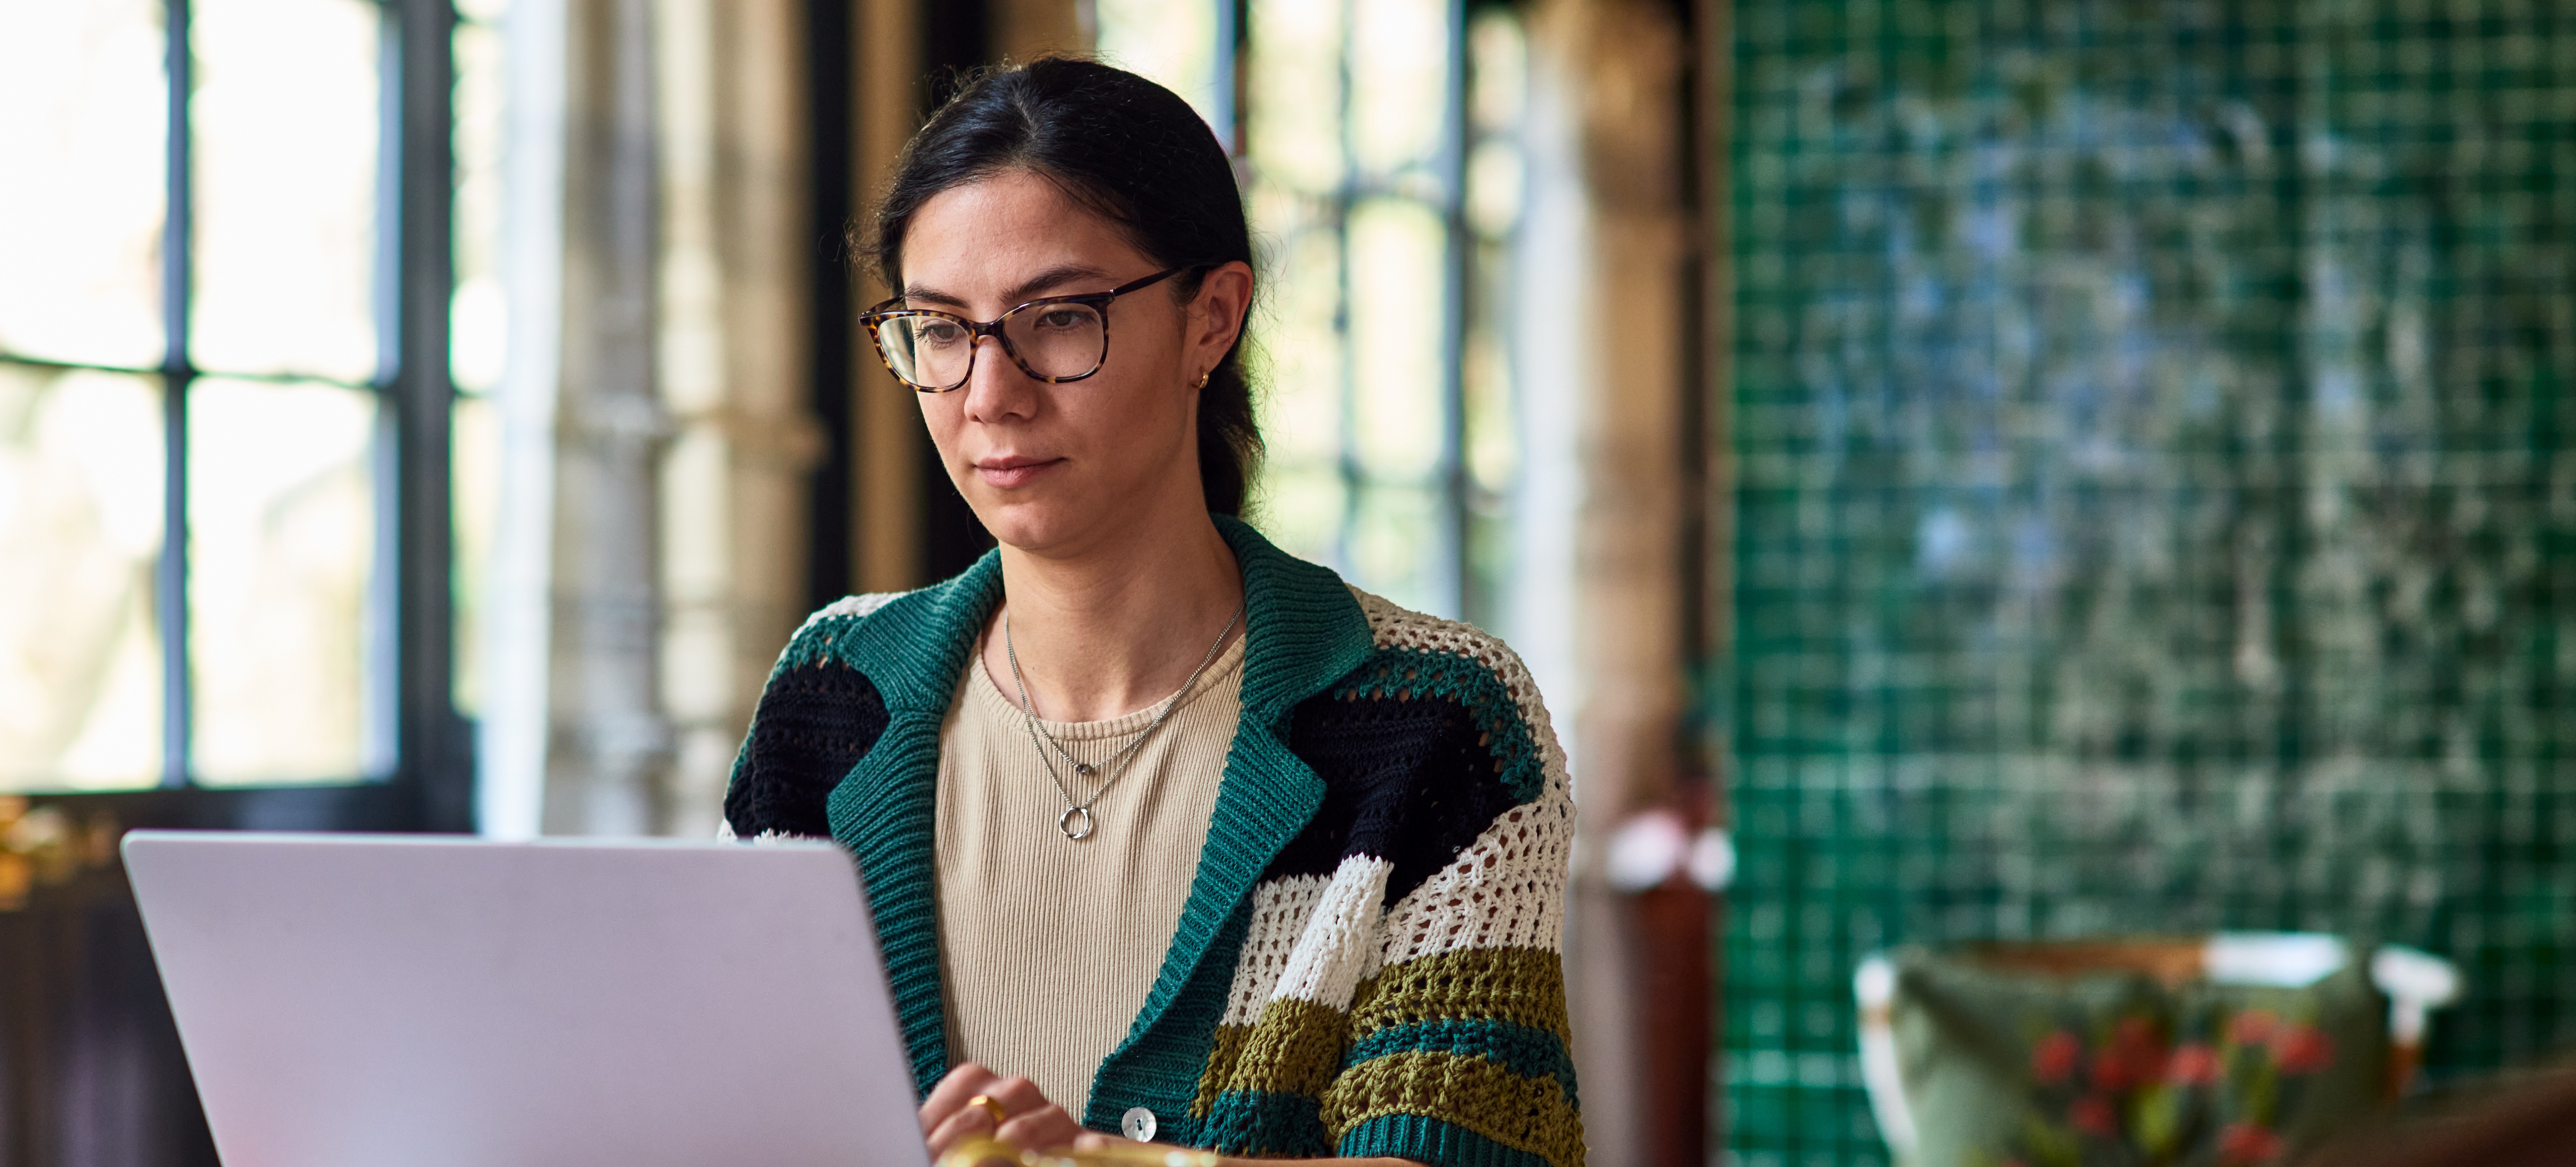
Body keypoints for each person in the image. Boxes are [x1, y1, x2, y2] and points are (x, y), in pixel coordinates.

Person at [720, 57, 1583, 1167]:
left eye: (1061, 318)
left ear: (1212, 318)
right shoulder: (830, 697)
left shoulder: (1438, 721)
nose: (990, 394)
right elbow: (739, 1106)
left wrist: (1097, 1162)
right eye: (939, 330)